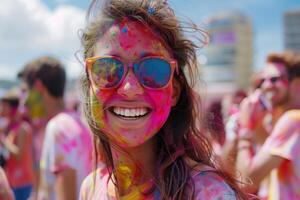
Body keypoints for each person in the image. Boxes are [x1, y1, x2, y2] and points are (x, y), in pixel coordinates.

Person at [79, 0, 249, 199]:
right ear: (89, 85)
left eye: (153, 70)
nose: (130, 89)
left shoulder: (208, 193)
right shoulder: (91, 188)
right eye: (108, 69)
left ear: (174, 92)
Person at [18, 56, 93, 200]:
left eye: (27, 91)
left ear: (39, 87)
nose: (25, 100)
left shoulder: (58, 128)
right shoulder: (75, 121)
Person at [236, 50, 300, 199]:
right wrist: (257, 126)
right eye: (262, 81)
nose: (266, 86)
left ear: (297, 83)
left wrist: (245, 130)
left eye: (274, 79)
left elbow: (246, 183)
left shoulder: (293, 120)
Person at [0, 87, 34, 200]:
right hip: (12, 181)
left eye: (4, 105)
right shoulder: (8, 127)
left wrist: (3, 141)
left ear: (12, 108)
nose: (1, 109)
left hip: (22, 183)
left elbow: (19, 155)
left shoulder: (22, 129)